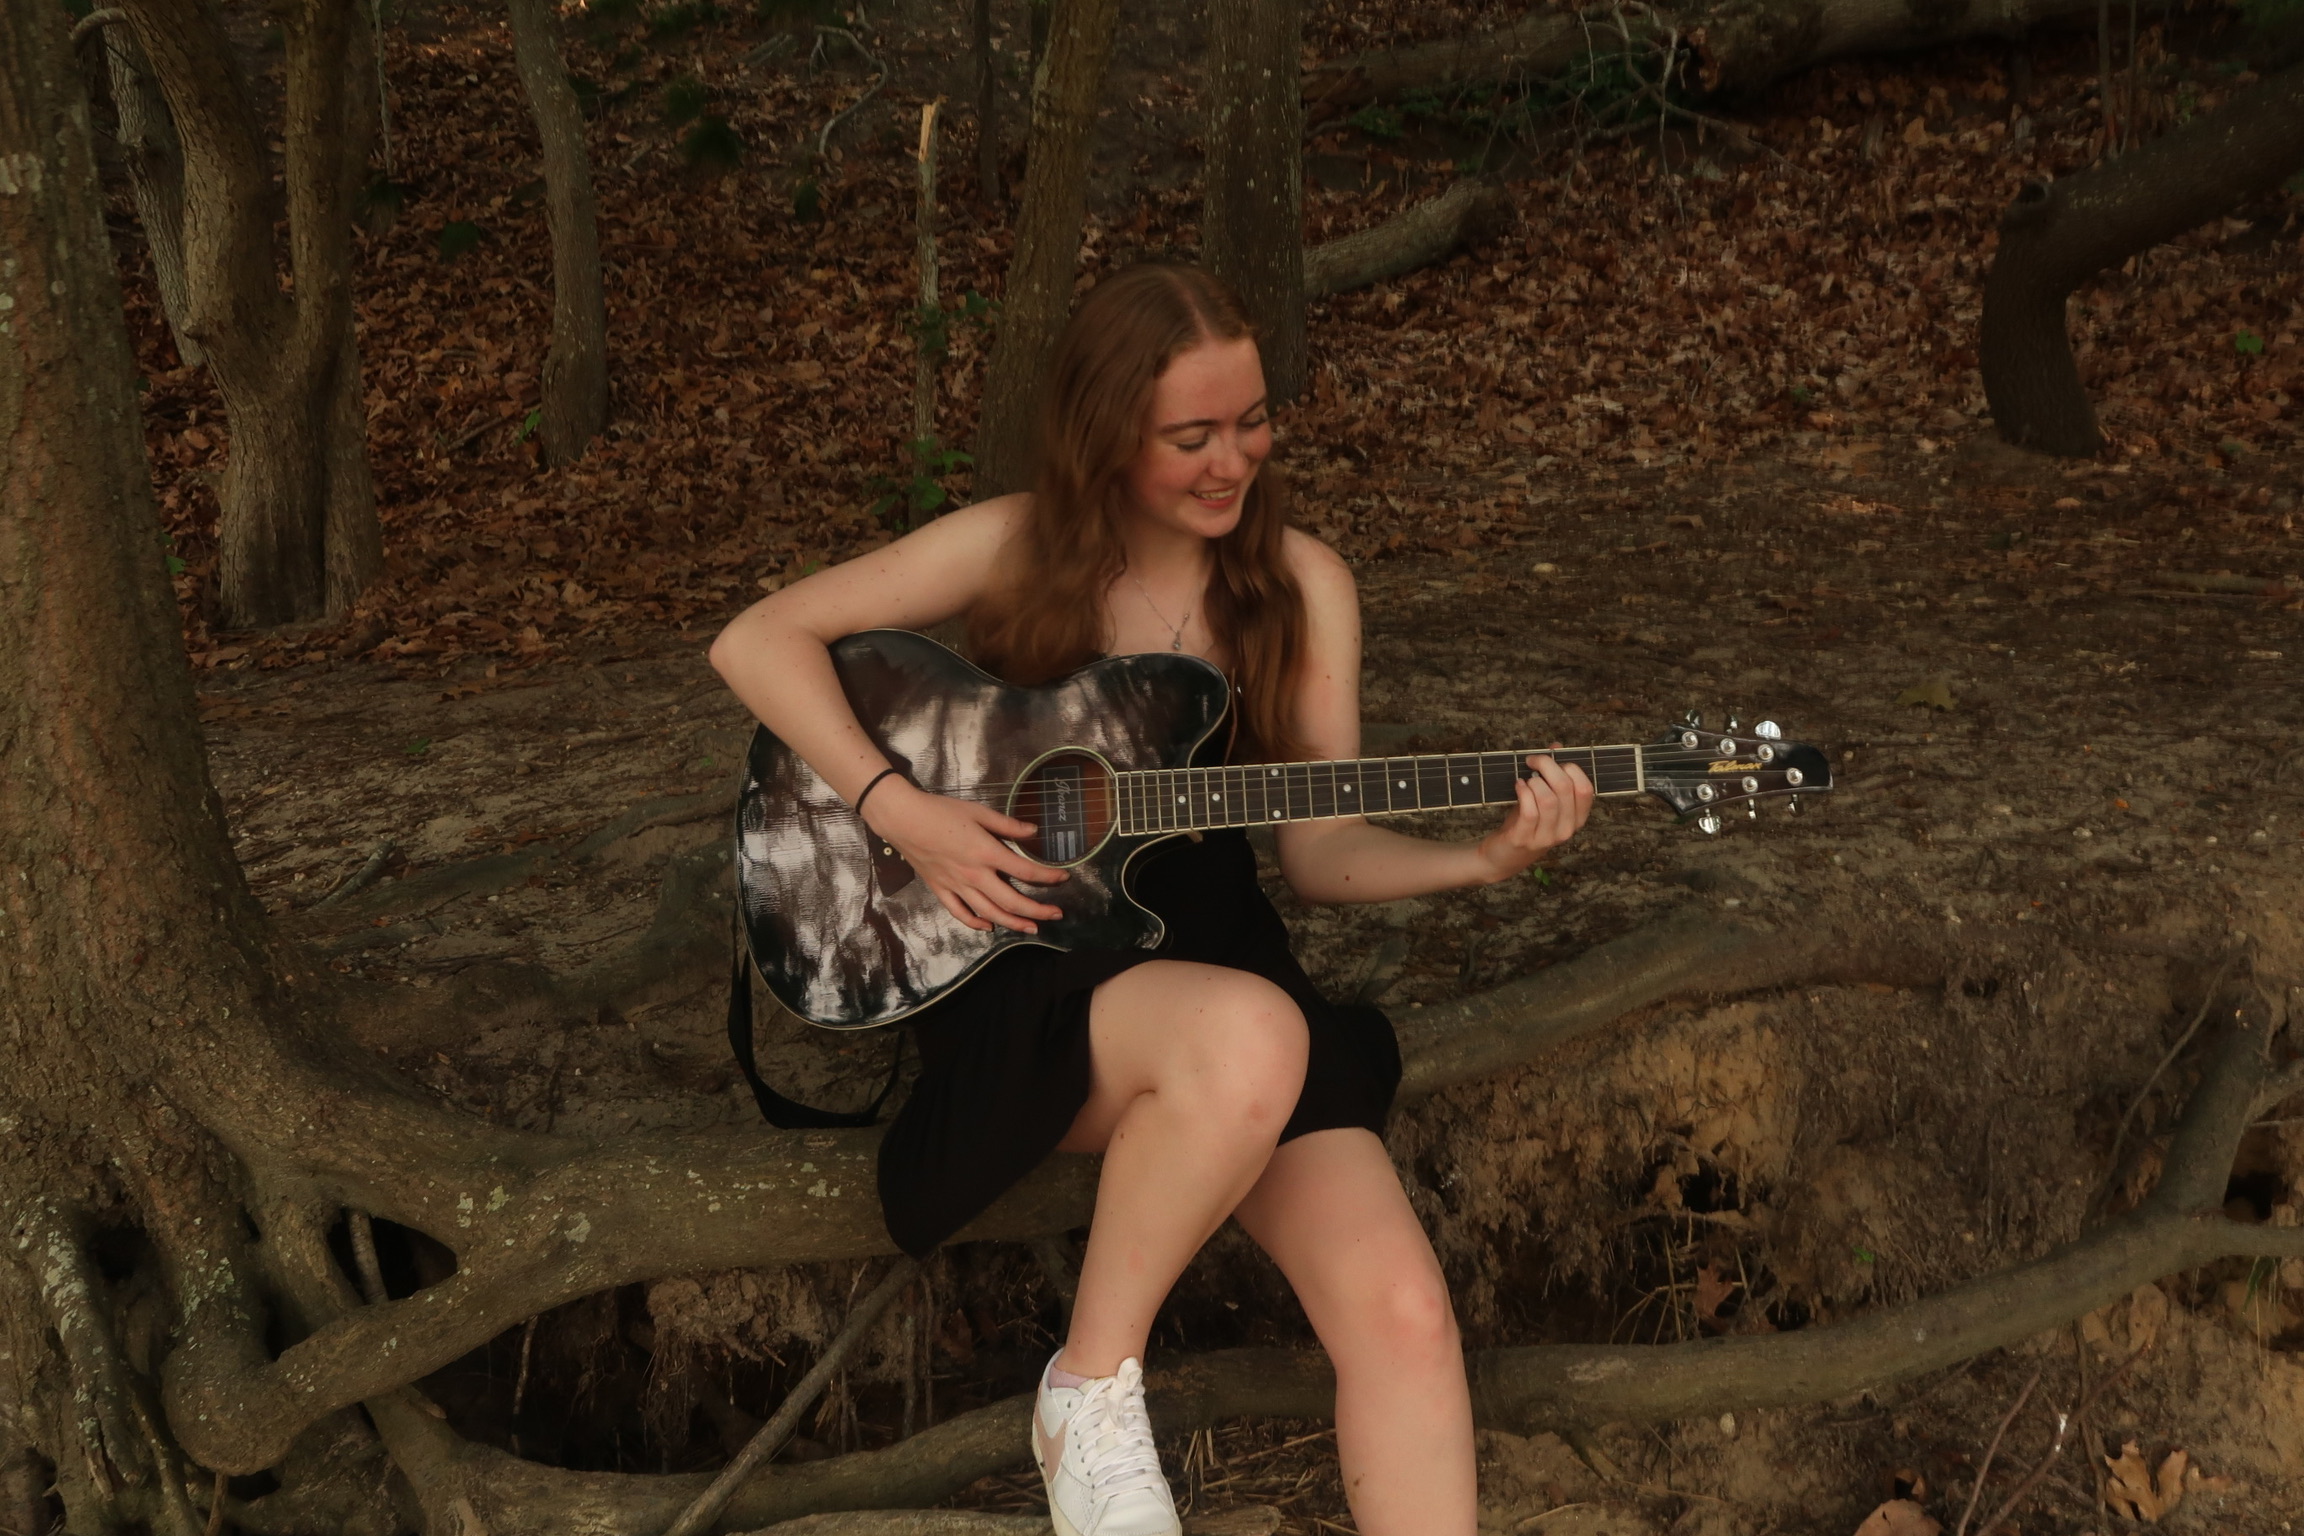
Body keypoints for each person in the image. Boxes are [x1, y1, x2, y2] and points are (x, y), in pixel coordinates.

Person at [710, 264, 1593, 1536]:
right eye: (1193, 435)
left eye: (1253, 421)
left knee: (1404, 1313)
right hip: (1026, 967)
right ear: (1108, 431)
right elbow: (755, 641)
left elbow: (1320, 855)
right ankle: (1087, 1391)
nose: (1233, 460)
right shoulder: (1014, 546)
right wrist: (901, 809)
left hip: (1225, 974)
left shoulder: (1301, 586)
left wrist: (1484, 861)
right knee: (1249, 1034)